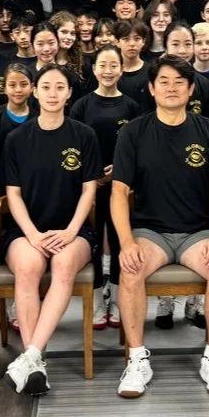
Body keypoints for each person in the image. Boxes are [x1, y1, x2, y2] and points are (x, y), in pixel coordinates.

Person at [112, 55, 209, 398]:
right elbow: (119, 192)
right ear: (151, 89)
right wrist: (126, 242)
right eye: (163, 81)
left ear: (191, 89)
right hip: (150, 232)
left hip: (198, 232)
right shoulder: (133, 132)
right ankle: (137, 359)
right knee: (131, 269)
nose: (171, 88)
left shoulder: (208, 130)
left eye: (179, 82)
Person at [0, 64, 100, 394]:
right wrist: (31, 234)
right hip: (27, 231)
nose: (53, 93)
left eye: (60, 87)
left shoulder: (84, 135)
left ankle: (29, 357)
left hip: (74, 231)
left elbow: (89, 190)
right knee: (28, 266)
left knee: (62, 263)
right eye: (46, 87)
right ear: (35, 92)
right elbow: (12, 195)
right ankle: (35, 359)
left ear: (69, 93)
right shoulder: (16, 138)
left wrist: (71, 231)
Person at [71, 46, 140, 330]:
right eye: (103, 65)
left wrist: (119, 171)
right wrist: (93, 173)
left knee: (122, 239)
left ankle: (118, 294)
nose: (109, 70)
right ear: (94, 69)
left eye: (114, 65)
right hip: (90, 186)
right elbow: (74, 145)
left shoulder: (131, 106)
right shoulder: (82, 105)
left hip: (121, 187)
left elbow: (137, 147)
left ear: (121, 70)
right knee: (95, 241)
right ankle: (99, 297)